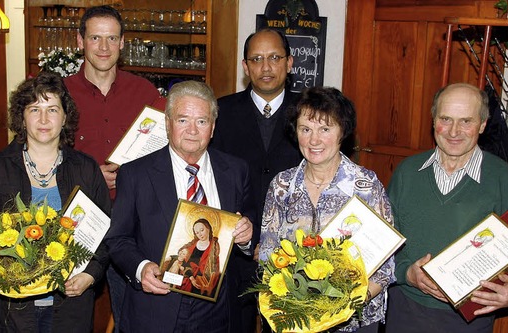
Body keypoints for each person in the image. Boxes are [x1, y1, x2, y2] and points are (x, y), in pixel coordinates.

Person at [104, 80, 256, 332]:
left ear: (213, 127)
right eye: (183, 120)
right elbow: (118, 238)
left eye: (202, 121)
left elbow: (250, 222)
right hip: (156, 309)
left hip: (218, 311)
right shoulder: (135, 174)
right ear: (167, 123)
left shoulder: (236, 171)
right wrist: (141, 269)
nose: (193, 130)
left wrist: (247, 237)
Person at [0, 71, 111, 332]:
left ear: (65, 117)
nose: (44, 119)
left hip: (70, 307)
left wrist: (90, 275)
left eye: (52, 109)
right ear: (22, 117)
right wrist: (4, 270)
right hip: (11, 312)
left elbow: (106, 234)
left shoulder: (86, 169)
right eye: (34, 109)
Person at [385, 83, 508, 333]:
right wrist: (408, 274)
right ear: (433, 120)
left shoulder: (504, 178)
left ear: (482, 125)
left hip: (468, 321)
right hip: (405, 310)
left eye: (466, 121)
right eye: (445, 119)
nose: (453, 131)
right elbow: (384, 245)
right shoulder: (407, 172)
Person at [258, 87, 394, 332]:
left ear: (342, 131)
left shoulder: (365, 187)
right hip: (292, 320)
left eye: (325, 129)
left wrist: (341, 306)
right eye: (305, 129)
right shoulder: (281, 186)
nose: (314, 140)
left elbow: (385, 266)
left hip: (353, 322)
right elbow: (267, 257)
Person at [63, 6, 165, 329]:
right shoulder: (59, 93)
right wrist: (91, 173)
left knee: (131, 319)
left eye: (111, 38)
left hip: (131, 225)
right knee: (71, 317)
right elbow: (42, 154)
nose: (104, 47)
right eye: (95, 38)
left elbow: (167, 154)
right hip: (75, 224)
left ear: (123, 43)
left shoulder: (145, 93)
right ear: (80, 40)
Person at [209, 28, 302, 332]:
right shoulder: (220, 112)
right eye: (257, 59)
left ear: (289, 63)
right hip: (233, 251)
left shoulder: (309, 113)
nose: (266, 67)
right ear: (245, 67)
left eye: (274, 58)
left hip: (295, 252)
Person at [178, 219, 221, 296]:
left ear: (208, 228)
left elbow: (215, 270)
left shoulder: (214, 248)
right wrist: (192, 279)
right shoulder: (191, 246)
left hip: (204, 284)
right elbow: (185, 264)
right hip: (189, 279)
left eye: (202, 230)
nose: (200, 234)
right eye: (197, 233)